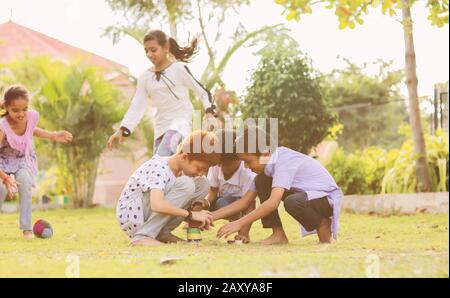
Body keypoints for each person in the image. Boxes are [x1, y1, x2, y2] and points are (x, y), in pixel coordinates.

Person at [217, 127, 343, 245]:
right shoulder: (267, 171)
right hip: (307, 196)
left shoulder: (283, 161)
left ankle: (323, 225)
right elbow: (244, 202)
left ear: (265, 154)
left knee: (292, 202)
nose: (245, 167)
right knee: (262, 181)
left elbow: (273, 203)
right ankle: (278, 234)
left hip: (326, 198)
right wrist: (210, 216)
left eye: (248, 161)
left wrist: (239, 222)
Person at [107, 30, 216, 156]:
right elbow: (137, 106)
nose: (149, 54)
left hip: (180, 124)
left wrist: (209, 112)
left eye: (153, 50)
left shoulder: (178, 69)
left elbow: (202, 91)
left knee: (162, 160)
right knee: (160, 168)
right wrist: (122, 130)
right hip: (160, 129)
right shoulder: (145, 77)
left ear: (165, 48)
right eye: (146, 51)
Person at [116, 130, 221, 246]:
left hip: (148, 212)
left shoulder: (182, 172)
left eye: (204, 170)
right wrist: (191, 215)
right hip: (133, 215)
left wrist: (196, 213)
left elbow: (174, 203)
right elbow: (157, 205)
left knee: (203, 183)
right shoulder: (159, 167)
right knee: (187, 184)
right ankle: (143, 235)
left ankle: (162, 233)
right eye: (198, 168)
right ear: (185, 156)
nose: (201, 173)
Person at [0, 85, 73, 238]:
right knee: (1, 189)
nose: (21, 114)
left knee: (25, 181)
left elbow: (31, 130)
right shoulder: (2, 127)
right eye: (15, 110)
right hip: (3, 162)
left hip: (22, 160)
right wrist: (5, 178)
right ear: (6, 107)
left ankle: (27, 228)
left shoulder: (31, 116)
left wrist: (52, 135)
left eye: (24, 109)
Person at [200, 130, 257, 243]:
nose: (222, 167)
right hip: (220, 202)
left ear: (239, 158)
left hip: (239, 205)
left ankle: (240, 231)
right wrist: (203, 206)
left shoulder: (247, 173)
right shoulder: (216, 166)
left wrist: (244, 233)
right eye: (219, 163)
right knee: (217, 202)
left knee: (226, 202)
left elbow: (250, 204)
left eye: (227, 164)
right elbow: (213, 191)